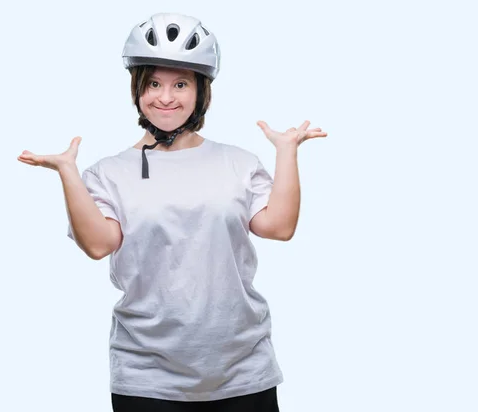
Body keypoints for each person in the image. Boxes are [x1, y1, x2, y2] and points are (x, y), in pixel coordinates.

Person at [17, 12, 327, 412]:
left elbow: (279, 227)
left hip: (243, 370)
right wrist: (68, 173)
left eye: (181, 83)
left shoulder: (237, 162)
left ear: (201, 91)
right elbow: (98, 245)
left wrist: (287, 153)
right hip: (147, 376)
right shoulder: (110, 172)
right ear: (137, 90)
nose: (166, 97)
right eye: (153, 83)